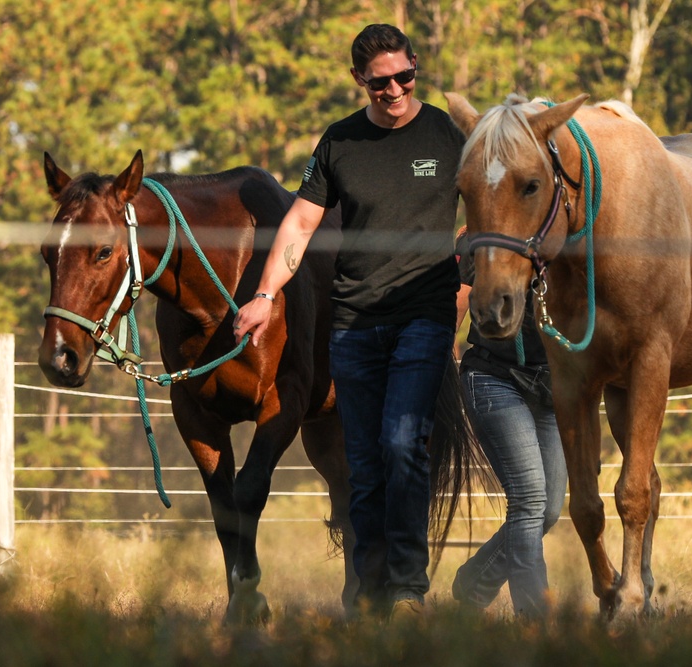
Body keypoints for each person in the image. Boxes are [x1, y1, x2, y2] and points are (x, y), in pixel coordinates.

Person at [233, 23, 465, 619]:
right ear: (358, 79)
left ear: (416, 65)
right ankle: (370, 593)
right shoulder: (338, 144)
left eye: (404, 76)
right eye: (380, 81)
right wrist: (263, 294)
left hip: (424, 317)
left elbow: (493, 202)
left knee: (401, 442)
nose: (394, 90)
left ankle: (409, 588)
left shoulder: (447, 133)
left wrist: (481, 268)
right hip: (355, 322)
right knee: (361, 460)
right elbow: (299, 226)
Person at [451, 228, 567, 619]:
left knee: (549, 509)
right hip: (493, 375)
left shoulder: (571, 238)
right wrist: (446, 353)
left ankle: (474, 582)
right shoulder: (479, 238)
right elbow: (458, 300)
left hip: (553, 389)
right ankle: (536, 619)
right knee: (530, 499)